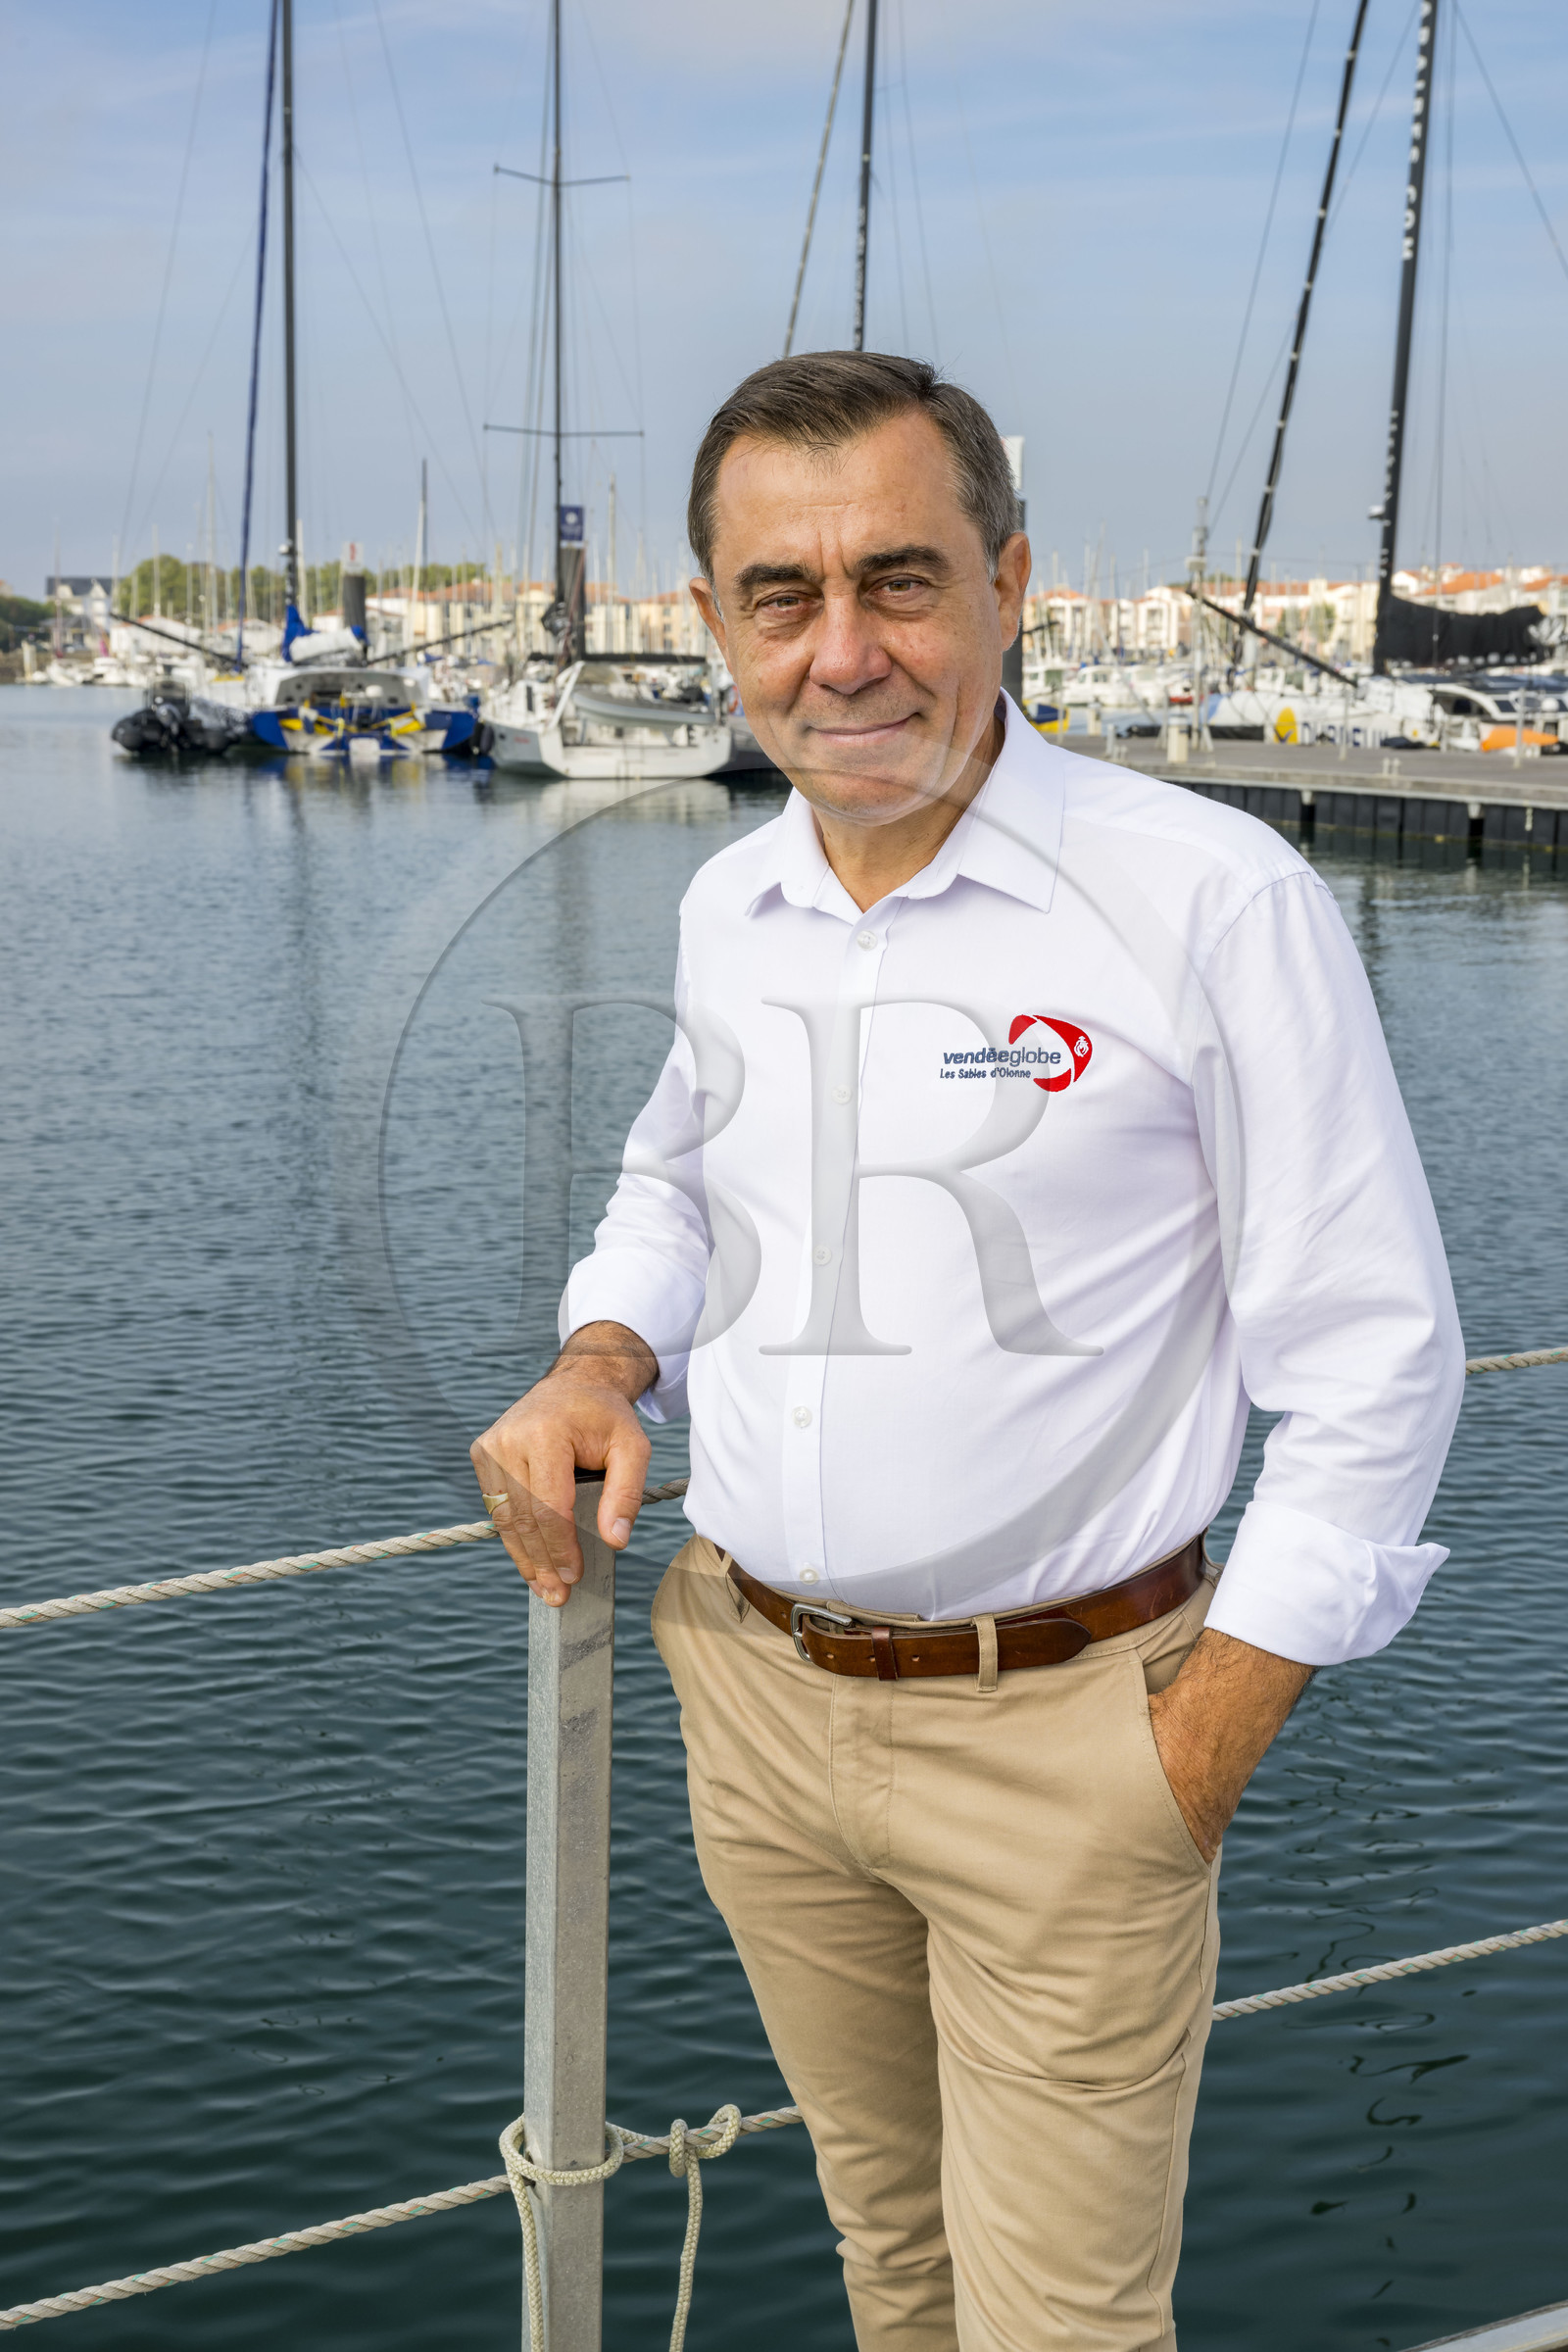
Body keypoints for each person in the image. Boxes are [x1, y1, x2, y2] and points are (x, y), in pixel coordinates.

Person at [470, 352, 1463, 2351]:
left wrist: (1185, 1755)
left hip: (1072, 1736)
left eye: (899, 581)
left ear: (1008, 584)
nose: (842, 654)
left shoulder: (1205, 901)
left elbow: (1369, 1360)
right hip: (754, 1703)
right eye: (783, 594)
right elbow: (676, 1181)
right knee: (888, 2258)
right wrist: (599, 1357)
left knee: (1064, 2328)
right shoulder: (732, 900)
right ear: (712, 626)